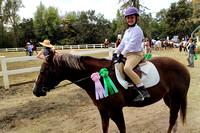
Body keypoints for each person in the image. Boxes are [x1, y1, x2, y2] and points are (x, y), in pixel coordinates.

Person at [112, 7, 150, 101]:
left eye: (132, 17)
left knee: (127, 68)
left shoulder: (138, 30)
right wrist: (115, 53)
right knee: (117, 66)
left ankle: (142, 90)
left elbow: (131, 44)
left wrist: (122, 54)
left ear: (137, 18)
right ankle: (128, 88)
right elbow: (123, 44)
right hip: (128, 54)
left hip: (136, 54)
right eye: (128, 18)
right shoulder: (127, 31)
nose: (130, 19)